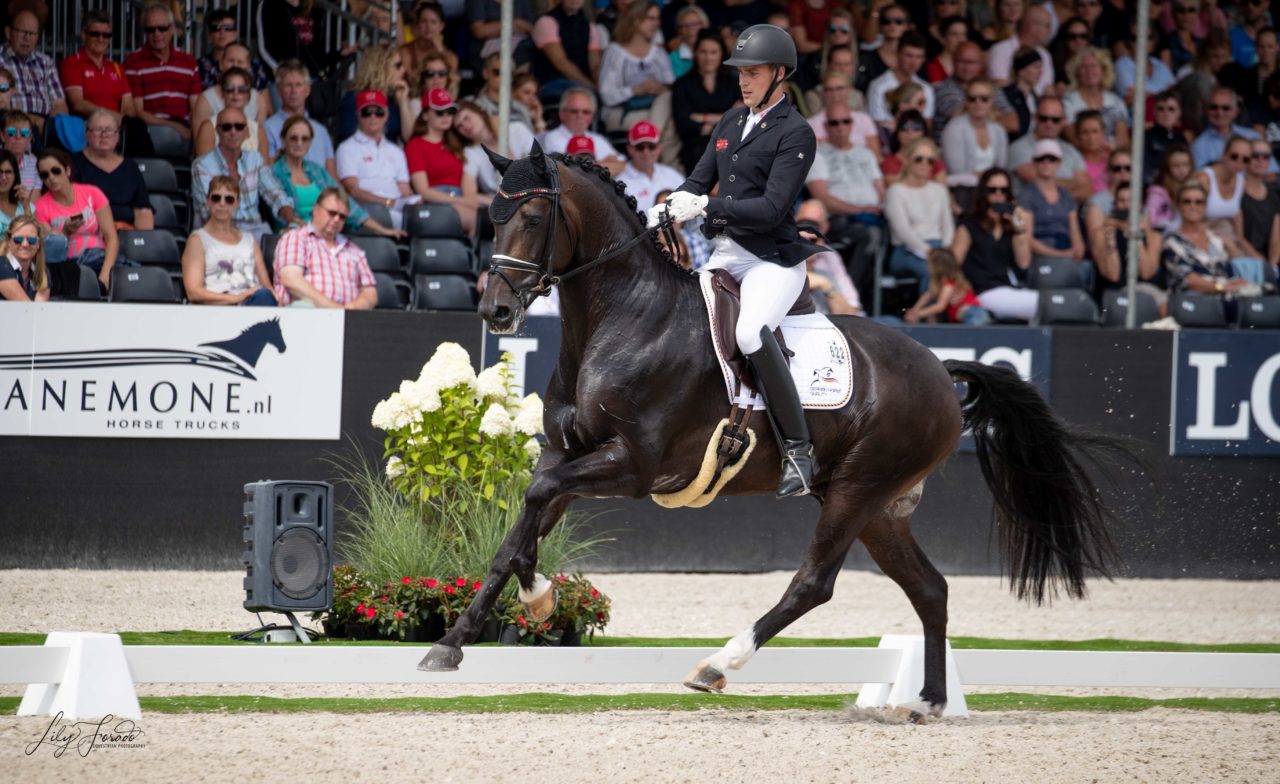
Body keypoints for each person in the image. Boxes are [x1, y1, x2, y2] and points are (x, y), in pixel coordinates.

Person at [647, 24, 824, 497]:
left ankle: (799, 451)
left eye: (754, 72)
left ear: (780, 74)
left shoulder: (797, 132)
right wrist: (663, 209)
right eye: (741, 72)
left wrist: (706, 206)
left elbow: (770, 209)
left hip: (771, 259)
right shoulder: (729, 122)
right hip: (725, 253)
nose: (744, 81)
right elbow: (697, 179)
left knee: (748, 332)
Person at [265, 115, 403, 241]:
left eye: (304, 138)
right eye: (293, 138)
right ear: (283, 141)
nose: (299, 143)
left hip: (325, 235)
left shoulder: (316, 171)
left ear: (310, 142)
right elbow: (283, 213)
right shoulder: (273, 173)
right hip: (294, 237)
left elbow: (345, 202)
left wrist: (382, 229)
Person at [804, 102, 885, 300]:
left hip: (872, 217)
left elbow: (881, 191)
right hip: (836, 220)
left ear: (852, 125)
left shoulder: (866, 153)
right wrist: (859, 209)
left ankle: (870, 297)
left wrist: (878, 208)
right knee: (870, 236)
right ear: (825, 127)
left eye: (845, 122)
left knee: (880, 232)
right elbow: (823, 199)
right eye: (834, 123)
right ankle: (849, 297)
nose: (840, 127)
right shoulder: (818, 155)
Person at [1162, 182, 1260, 321]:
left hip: (1225, 296)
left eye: (1198, 202)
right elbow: (1188, 280)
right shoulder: (1172, 241)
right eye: (1187, 201)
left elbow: (1226, 272)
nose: (1193, 206)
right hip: (1193, 301)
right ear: (1178, 206)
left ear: (1205, 206)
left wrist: (1237, 282)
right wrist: (1221, 287)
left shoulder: (1215, 238)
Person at [192, 107, 291, 241]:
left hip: (256, 231)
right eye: (227, 127)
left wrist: (291, 219)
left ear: (247, 132)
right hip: (216, 232)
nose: (233, 132)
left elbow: (275, 193)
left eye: (239, 127)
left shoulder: (255, 159)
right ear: (217, 131)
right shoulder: (202, 165)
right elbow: (208, 210)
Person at [273, 185, 377, 309]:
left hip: (348, 320)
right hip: (303, 316)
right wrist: (333, 308)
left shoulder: (353, 250)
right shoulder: (296, 238)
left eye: (342, 216)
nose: (337, 219)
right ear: (316, 209)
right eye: (332, 213)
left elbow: (370, 293)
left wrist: (353, 308)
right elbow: (291, 280)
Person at [952, 167, 1037, 321]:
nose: (998, 194)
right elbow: (953, 263)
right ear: (983, 192)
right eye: (993, 190)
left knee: (1045, 304)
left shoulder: (1010, 226)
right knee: (1041, 305)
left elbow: (1024, 263)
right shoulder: (969, 224)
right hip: (981, 291)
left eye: (1003, 190)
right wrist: (962, 285)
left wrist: (1019, 230)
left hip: (1007, 289)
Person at [182, 175, 276, 306]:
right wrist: (236, 298)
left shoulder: (249, 239)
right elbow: (193, 292)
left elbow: (267, 286)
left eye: (229, 199)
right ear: (208, 201)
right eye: (216, 198)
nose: (222, 203)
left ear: (237, 203)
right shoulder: (197, 239)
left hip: (254, 304)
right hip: (219, 309)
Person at [33, 148, 119, 292]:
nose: (51, 178)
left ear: (67, 170)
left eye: (56, 171)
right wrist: (65, 232)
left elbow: (111, 237)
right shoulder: (40, 207)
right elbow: (50, 250)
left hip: (99, 259)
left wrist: (106, 272)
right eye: (45, 175)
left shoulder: (92, 193)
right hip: (67, 267)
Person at [405, 89, 484, 235]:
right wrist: (462, 201)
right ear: (425, 115)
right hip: (435, 203)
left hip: (461, 199)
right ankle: (472, 256)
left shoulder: (455, 142)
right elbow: (423, 190)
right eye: (440, 112)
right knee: (476, 218)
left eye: (450, 112)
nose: (446, 116)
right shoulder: (415, 145)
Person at [336, 89, 416, 229]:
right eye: (367, 112)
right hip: (367, 210)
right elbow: (353, 191)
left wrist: (410, 201)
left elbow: (405, 190)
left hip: (397, 209)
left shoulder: (396, 151)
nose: (373, 117)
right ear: (358, 115)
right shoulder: (346, 148)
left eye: (378, 112)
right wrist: (387, 202)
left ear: (386, 115)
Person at [885, 137, 954, 294]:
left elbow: (947, 225)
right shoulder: (895, 191)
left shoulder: (939, 190)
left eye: (930, 161)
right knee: (931, 271)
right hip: (907, 250)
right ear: (907, 160)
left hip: (938, 248)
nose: (924, 164)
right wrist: (929, 251)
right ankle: (928, 316)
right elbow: (902, 230)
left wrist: (945, 248)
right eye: (919, 159)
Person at [123, 1, 201, 139]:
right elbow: (137, 112)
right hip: (150, 130)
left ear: (171, 29)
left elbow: (196, 108)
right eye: (150, 29)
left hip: (185, 129)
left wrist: (195, 133)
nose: (156, 34)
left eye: (162, 28)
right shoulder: (133, 62)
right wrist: (173, 127)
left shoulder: (188, 62)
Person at [672, 29, 741, 174]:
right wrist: (725, 118)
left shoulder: (734, 83)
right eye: (703, 52)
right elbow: (684, 124)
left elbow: (741, 118)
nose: (708, 58)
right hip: (697, 146)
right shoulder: (682, 85)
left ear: (722, 54)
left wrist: (705, 119)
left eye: (713, 52)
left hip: (731, 142)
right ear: (695, 54)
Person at [599, 1, 674, 135]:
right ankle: (651, 136)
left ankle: (650, 137)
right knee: (671, 127)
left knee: (668, 98)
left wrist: (659, 88)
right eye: (651, 18)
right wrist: (636, 90)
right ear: (635, 20)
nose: (656, 23)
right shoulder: (614, 52)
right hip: (623, 112)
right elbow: (607, 95)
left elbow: (671, 87)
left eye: (658, 19)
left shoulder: (659, 53)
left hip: (656, 108)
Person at [70, 109, 153, 230]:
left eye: (109, 130)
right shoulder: (73, 163)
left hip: (126, 233)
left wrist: (140, 240)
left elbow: (143, 210)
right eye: (98, 130)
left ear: (117, 135)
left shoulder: (131, 167)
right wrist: (110, 229)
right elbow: (69, 209)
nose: (104, 135)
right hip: (88, 233)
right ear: (87, 134)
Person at [1094, 181, 1167, 311]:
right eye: (1122, 201)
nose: (1127, 205)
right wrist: (1110, 237)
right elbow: (1113, 275)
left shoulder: (1154, 236)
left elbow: (1146, 273)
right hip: (1116, 293)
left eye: (1131, 201)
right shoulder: (1102, 233)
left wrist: (1136, 235)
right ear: (1115, 205)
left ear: (1141, 205)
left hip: (1148, 294)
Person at [1022, 138, 1086, 281]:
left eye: (1052, 159)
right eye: (1041, 159)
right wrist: (1059, 255)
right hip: (1039, 257)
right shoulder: (1027, 195)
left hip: (1066, 253)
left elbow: (1075, 234)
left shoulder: (1066, 196)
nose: (1046, 163)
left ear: (1059, 163)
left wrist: (1076, 252)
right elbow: (1026, 238)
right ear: (1034, 162)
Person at [1008, 96, 1091, 203]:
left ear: (1064, 120)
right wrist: (1073, 183)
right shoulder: (1019, 148)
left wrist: (1060, 200)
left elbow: (1087, 190)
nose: (1049, 124)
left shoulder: (1071, 151)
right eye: (1044, 118)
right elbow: (1040, 182)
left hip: (1065, 215)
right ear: (1035, 118)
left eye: (1055, 120)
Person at [59, 11, 137, 121]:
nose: (101, 39)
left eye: (106, 35)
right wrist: (114, 118)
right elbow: (78, 104)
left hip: (116, 130)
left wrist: (123, 122)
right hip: (87, 128)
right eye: (95, 34)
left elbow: (129, 107)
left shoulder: (116, 68)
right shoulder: (72, 63)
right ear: (83, 35)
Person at [263, 59, 335, 175]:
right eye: (288, 85)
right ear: (278, 90)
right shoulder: (267, 128)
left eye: (298, 85)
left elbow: (332, 176)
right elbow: (268, 171)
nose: (293, 91)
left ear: (307, 90)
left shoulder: (321, 131)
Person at [0, 6, 65, 134]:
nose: (27, 38)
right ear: (8, 32)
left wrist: (50, 127)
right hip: (9, 124)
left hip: (43, 127)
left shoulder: (46, 62)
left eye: (32, 34)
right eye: (22, 32)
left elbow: (60, 104)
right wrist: (32, 120)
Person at [941, 78, 1008, 196]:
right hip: (963, 191)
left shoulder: (999, 130)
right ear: (966, 102)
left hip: (992, 191)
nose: (978, 103)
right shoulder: (954, 128)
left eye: (984, 99)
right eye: (972, 99)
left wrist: (985, 177)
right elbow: (958, 173)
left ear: (992, 101)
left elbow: (1000, 170)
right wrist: (988, 176)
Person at [454, 99, 534, 196]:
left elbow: (537, 164)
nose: (465, 126)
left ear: (479, 112)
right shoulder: (470, 152)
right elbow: (469, 194)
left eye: (466, 118)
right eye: (459, 126)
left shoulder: (517, 129)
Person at [537, 87, 626, 175]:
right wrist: (605, 163)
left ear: (592, 116)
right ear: (562, 114)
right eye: (574, 111)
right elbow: (568, 170)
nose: (580, 116)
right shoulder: (552, 137)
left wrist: (591, 164)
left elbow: (624, 166)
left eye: (586, 112)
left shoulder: (598, 139)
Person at [338, 43, 414, 145]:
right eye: (398, 65)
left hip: (390, 157)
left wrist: (403, 102)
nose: (403, 70)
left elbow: (410, 138)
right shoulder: (354, 99)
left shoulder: (393, 99)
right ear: (381, 67)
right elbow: (350, 139)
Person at [531, 0, 601, 101]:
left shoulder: (590, 27)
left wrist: (600, 86)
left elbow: (595, 64)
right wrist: (591, 87)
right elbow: (561, 63)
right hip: (551, 83)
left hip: (583, 84)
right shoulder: (546, 22)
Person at [193, 68, 269, 156]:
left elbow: (264, 168)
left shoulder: (258, 130)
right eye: (229, 88)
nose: (235, 93)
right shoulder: (208, 127)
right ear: (222, 93)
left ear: (248, 95)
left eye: (242, 89)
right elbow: (204, 166)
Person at [905, 247, 990, 325]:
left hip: (973, 313)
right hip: (968, 316)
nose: (927, 267)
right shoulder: (939, 284)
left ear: (937, 267)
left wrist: (919, 314)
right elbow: (927, 295)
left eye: (929, 264)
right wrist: (914, 310)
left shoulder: (948, 283)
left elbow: (940, 306)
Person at [866, 31, 933, 128]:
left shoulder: (926, 89)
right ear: (898, 54)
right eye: (909, 55)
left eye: (919, 57)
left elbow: (927, 125)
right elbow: (876, 125)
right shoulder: (878, 86)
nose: (913, 62)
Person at [807, 69, 880, 155]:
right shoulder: (810, 124)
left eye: (839, 88)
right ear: (823, 93)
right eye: (829, 89)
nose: (835, 94)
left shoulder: (864, 119)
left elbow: (876, 156)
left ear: (849, 90)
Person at [616, 120, 684, 212]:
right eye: (640, 147)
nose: (646, 152)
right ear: (629, 149)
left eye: (651, 146)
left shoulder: (673, 176)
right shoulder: (620, 185)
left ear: (660, 148)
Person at [1192, 87, 1267, 170]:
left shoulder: (1253, 137)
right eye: (1214, 107)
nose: (1219, 113)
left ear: (1236, 111)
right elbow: (1200, 179)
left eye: (1226, 108)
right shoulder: (1199, 145)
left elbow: (1272, 174)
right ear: (1206, 111)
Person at [987, 4, 1054, 94]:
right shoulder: (1000, 50)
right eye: (1047, 26)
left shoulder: (1045, 55)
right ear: (1033, 26)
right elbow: (1000, 88)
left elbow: (1047, 90)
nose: (1050, 31)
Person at [197, 10, 269, 91]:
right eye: (216, 28)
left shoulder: (254, 67)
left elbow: (264, 101)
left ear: (235, 34)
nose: (222, 32)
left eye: (228, 28)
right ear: (209, 36)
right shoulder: (199, 67)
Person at [467, 52, 535, 131]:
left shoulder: (521, 108)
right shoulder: (474, 106)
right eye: (498, 72)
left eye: (509, 73)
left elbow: (530, 138)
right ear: (486, 73)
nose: (504, 77)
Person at [1241, 138, 1280, 274]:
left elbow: (1276, 236)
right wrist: (1263, 265)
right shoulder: (1237, 191)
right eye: (1255, 155)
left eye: (1266, 156)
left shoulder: (1274, 193)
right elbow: (1238, 237)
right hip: (1242, 260)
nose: (1260, 160)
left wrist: (1272, 264)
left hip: (1268, 263)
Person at [934, 41, 986, 141]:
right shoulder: (943, 88)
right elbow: (963, 118)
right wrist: (994, 113)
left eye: (971, 62)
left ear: (981, 64)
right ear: (953, 61)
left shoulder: (990, 88)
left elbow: (1013, 122)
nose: (966, 67)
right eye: (961, 61)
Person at [881, 110, 947, 186]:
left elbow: (942, 189)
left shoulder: (934, 160)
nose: (910, 132)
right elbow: (896, 189)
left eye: (916, 128)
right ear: (897, 133)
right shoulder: (889, 162)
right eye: (904, 128)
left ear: (924, 133)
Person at [994, 46, 1043, 143]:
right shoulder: (1005, 94)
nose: (1040, 71)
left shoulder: (1037, 99)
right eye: (1035, 67)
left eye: (1040, 67)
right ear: (1021, 70)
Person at [400, 1, 458, 83]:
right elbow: (409, 79)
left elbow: (452, 79)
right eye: (424, 21)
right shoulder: (406, 51)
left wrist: (441, 50)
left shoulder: (451, 57)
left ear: (441, 26)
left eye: (433, 22)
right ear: (418, 24)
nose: (428, 27)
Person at [1144, 90, 1193, 184]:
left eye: (1171, 109)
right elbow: (1146, 173)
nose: (1166, 113)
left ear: (1179, 113)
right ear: (1154, 112)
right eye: (1160, 109)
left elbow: (1189, 170)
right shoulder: (1146, 137)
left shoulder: (1181, 139)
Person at [1147, 143, 1193, 231]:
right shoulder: (1158, 192)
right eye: (1176, 166)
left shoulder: (1195, 188)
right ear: (1167, 167)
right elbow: (1150, 218)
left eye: (1185, 165)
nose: (1181, 170)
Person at [0, 213, 45, 300]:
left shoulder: (42, 271)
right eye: (18, 239)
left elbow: (40, 309)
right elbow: (25, 306)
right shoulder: (1, 266)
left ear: (38, 244)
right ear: (9, 242)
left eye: (31, 240)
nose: (25, 244)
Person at [1073, 111, 1112, 194]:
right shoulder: (1074, 162)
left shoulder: (1113, 158)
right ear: (1078, 136)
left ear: (1103, 133)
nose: (1091, 137)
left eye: (1095, 131)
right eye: (1085, 132)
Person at [668, 5, 709, 79]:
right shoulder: (672, 59)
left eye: (695, 24)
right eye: (685, 25)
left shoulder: (716, 53)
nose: (690, 29)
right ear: (679, 30)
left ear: (704, 25)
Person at [925, 15, 969, 84]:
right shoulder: (933, 67)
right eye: (955, 34)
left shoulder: (970, 65)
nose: (961, 40)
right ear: (943, 39)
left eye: (963, 34)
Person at [3, 108, 35, 192]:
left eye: (24, 133)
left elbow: (34, 202)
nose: (18, 137)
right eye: (11, 132)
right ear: (2, 136)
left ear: (29, 138)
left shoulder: (34, 163)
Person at [0, 148, 29, 238]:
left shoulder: (25, 204)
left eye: (8, 172)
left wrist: (26, 207)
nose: (3, 177)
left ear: (15, 176)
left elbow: (37, 237)